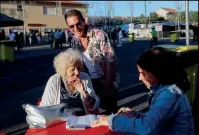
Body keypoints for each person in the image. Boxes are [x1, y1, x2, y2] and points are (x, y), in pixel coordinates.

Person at [92, 47, 194, 135]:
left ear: (158, 72)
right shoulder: (163, 91)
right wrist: (135, 114)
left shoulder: (169, 94)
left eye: (143, 74)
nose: (140, 78)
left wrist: (110, 120)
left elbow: (146, 126)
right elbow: (156, 121)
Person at [64, 9, 119, 114]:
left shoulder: (98, 34)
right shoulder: (74, 41)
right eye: (71, 26)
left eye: (78, 24)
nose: (76, 28)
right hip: (89, 82)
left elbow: (109, 60)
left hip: (106, 80)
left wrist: (107, 85)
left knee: (111, 113)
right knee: (92, 113)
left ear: (83, 21)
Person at [39, 49, 100, 116]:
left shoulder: (84, 77)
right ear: (64, 70)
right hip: (61, 122)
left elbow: (96, 106)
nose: (77, 72)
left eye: (78, 68)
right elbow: (44, 108)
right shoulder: (54, 80)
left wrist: (84, 93)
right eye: (73, 69)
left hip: (83, 120)